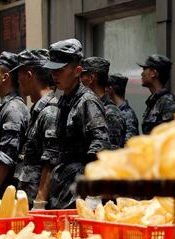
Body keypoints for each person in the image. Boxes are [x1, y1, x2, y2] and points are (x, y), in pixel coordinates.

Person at [40, 39, 109, 210]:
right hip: (62, 188)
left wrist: (94, 195)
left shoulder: (87, 102)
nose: (54, 75)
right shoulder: (64, 100)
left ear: (78, 71)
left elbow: (100, 146)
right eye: (53, 70)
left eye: (60, 70)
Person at [0, 51, 30, 203]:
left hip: (5, 194)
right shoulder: (3, 107)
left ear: (5, 76)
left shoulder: (12, 109)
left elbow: (7, 156)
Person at [12, 48, 58, 206]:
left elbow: (50, 163)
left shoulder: (50, 111)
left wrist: (40, 202)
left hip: (38, 204)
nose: (17, 81)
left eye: (19, 75)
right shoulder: (37, 110)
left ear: (29, 75)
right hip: (28, 199)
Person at [81, 57, 126, 148]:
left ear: (91, 78)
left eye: (82, 76)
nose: (80, 80)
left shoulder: (110, 113)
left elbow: (113, 153)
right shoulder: (87, 107)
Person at [138, 54, 175, 134]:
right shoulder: (155, 101)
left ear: (154, 73)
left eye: (145, 69)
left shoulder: (168, 102)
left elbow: (170, 137)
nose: (142, 73)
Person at [107, 73, 139, 142]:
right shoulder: (115, 111)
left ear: (110, 89)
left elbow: (129, 143)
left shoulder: (127, 114)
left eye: (106, 88)